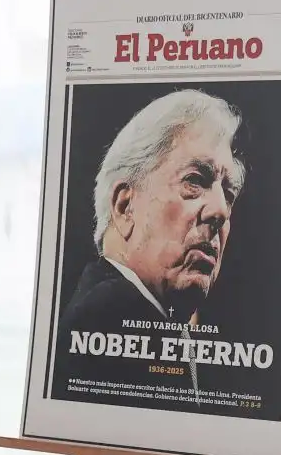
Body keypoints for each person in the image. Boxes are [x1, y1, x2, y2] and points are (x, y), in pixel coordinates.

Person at [55, 89, 244, 395]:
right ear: (125, 206)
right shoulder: (106, 317)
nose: (220, 211)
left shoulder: (143, 320)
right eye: (195, 180)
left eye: (229, 194)